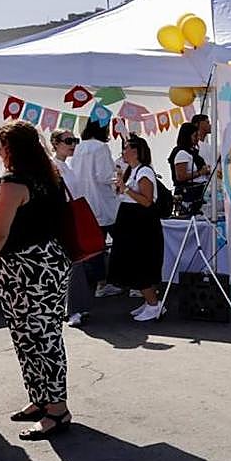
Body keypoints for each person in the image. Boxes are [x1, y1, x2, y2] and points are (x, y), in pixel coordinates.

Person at [0, 121, 72, 439]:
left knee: (41, 338)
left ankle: (57, 410)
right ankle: (40, 399)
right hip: (46, 262)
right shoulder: (48, 175)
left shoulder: (13, 183)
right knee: (30, 336)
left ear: (12, 149)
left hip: (29, 267)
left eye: (1, 146)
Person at [104, 136, 166, 322]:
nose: (122, 152)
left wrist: (126, 189)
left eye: (126, 148)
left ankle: (154, 304)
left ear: (136, 152)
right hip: (129, 221)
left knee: (141, 264)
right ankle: (149, 303)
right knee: (131, 263)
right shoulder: (131, 170)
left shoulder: (145, 171)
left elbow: (146, 201)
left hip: (141, 223)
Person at [69, 120, 120, 300]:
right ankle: (105, 283)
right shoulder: (100, 147)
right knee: (118, 241)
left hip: (85, 202)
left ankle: (98, 282)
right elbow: (104, 175)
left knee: (93, 245)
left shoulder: (79, 148)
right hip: (102, 202)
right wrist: (118, 175)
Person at [48, 129, 90, 328]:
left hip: (71, 219)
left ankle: (77, 307)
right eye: (68, 141)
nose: (73, 144)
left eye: (74, 140)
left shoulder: (65, 166)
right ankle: (73, 308)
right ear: (55, 143)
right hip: (62, 221)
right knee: (72, 265)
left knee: (76, 265)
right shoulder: (53, 166)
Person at [168, 122, 211, 215]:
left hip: (199, 192)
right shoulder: (182, 153)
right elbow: (180, 177)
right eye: (195, 136)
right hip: (188, 194)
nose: (197, 139)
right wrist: (200, 172)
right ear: (187, 136)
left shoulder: (193, 152)